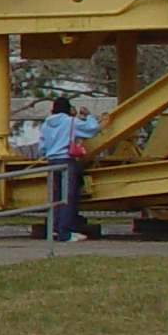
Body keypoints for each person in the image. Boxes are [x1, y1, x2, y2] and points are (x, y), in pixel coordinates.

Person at [37, 95, 100, 242]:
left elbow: (42, 146)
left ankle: (55, 228)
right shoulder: (70, 121)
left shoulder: (46, 124)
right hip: (66, 160)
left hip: (51, 161)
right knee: (68, 197)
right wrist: (88, 116)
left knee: (55, 197)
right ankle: (66, 232)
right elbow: (92, 129)